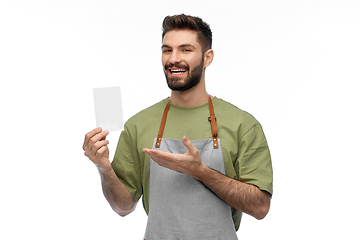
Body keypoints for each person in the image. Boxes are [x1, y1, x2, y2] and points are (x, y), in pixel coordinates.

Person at [83, 14, 273, 239]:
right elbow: (123, 207)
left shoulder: (242, 124)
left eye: (185, 50)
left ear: (207, 57)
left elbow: (260, 208)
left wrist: (200, 172)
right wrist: (104, 167)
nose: (173, 59)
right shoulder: (139, 125)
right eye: (167, 50)